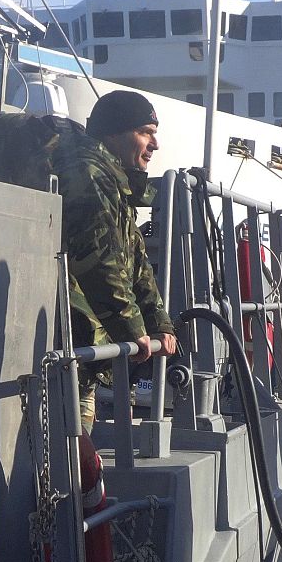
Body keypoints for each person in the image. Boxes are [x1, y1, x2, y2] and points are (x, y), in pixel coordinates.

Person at [56, 90, 177, 426]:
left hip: (85, 341)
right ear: (112, 134)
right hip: (65, 338)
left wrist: (158, 322)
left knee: (80, 443)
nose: (154, 145)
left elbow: (135, 258)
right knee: (71, 451)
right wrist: (132, 329)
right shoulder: (87, 174)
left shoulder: (113, 181)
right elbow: (99, 258)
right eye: (145, 133)